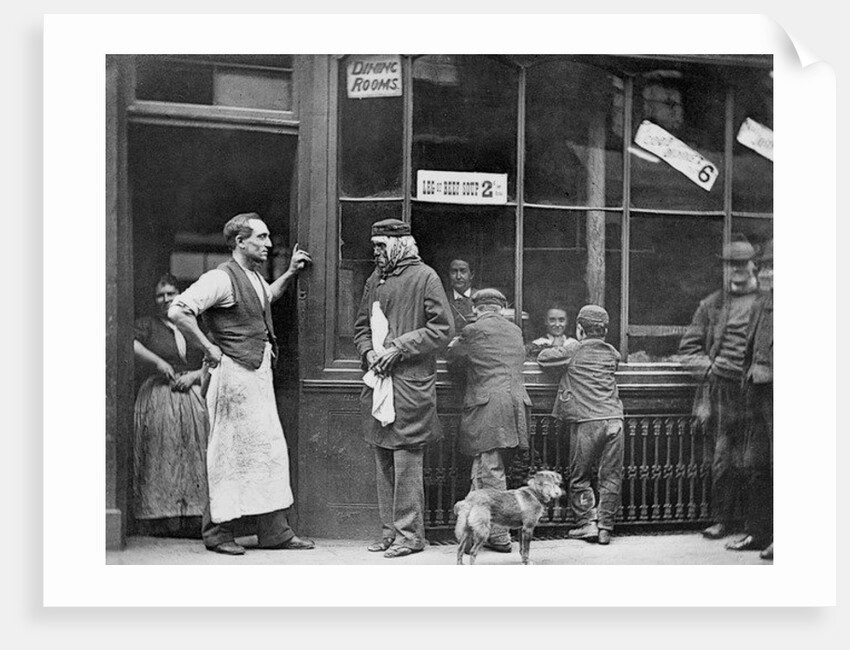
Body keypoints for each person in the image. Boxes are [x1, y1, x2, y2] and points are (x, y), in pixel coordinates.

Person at [168, 212, 315, 555]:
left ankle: (274, 531)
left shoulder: (250, 277)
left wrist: (291, 272)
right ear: (240, 242)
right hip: (232, 376)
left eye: (267, 238)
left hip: (256, 376)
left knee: (267, 452)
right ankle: (218, 533)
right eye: (261, 238)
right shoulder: (220, 278)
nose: (268, 244)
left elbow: (266, 297)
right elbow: (178, 310)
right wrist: (208, 348)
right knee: (227, 455)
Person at [354, 218, 453, 558]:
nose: (376, 252)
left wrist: (399, 347)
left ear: (399, 244)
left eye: (382, 246)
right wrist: (368, 352)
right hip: (379, 381)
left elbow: (443, 330)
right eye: (375, 247)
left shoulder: (426, 277)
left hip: (409, 385)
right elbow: (360, 327)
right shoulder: (375, 279)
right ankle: (390, 533)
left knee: (407, 460)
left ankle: (409, 536)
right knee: (383, 457)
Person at [678, 238, 767, 541]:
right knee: (723, 459)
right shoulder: (712, 304)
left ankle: (757, 526)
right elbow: (688, 349)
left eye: (744, 264)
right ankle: (723, 520)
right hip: (723, 391)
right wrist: (710, 369)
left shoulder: (768, 301)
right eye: (732, 265)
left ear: (755, 265)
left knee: (759, 460)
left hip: (760, 389)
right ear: (725, 269)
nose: (738, 271)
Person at [446, 288, 531, 553]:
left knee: (491, 471)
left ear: (477, 308)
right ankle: (478, 530)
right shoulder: (515, 330)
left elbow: (452, 359)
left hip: (488, 407)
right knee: (484, 469)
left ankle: (501, 536)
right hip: (516, 407)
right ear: (501, 308)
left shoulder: (472, 330)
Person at [537, 305, 624, 545]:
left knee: (580, 477)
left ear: (579, 329)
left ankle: (587, 523)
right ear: (605, 330)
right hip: (615, 419)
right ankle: (606, 527)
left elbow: (544, 359)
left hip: (588, 421)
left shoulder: (573, 348)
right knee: (611, 476)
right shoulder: (612, 352)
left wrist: (561, 347)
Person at [133, 273, 208, 537]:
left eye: (171, 294)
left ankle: (193, 518)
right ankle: (161, 518)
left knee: (194, 453)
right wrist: (157, 361)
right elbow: (127, 342)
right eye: (160, 295)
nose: (166, 300)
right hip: (159, 396)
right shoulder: (148, 324)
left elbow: (214, 355)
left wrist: (195, 375)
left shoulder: (193, 324)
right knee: (163, 453)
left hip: (192, 395)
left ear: (180, 296)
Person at [727, 240, 773, 559]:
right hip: (759, 395)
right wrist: (748, 378)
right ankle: (759, 533)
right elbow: (748, 348)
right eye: (764, 266)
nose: (764, 272)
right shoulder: (762, 304)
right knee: (758, 466)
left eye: (772, 267)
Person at [447, 258, 477, 329]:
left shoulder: (480, 298)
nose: (458, 277)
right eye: (454, 272)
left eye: (463, 272)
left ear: (471, 275)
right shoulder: (443, 298)